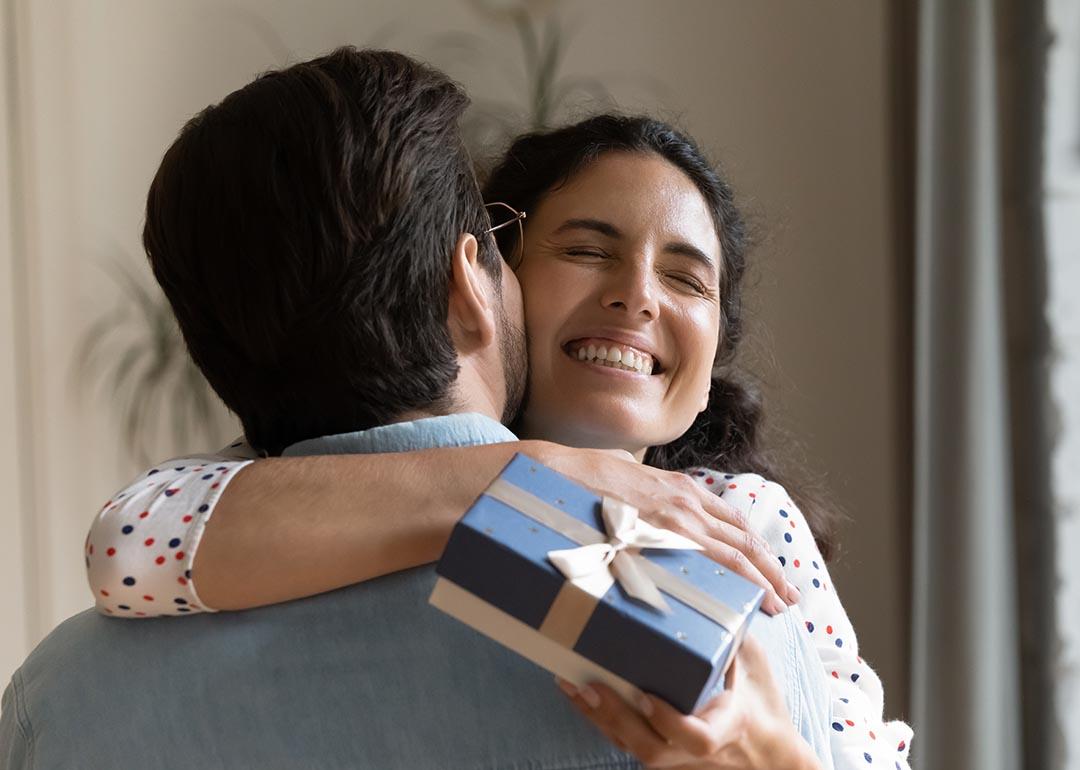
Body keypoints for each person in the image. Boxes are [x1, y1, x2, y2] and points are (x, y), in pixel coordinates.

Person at [0, 48, 835, 770]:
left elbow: (132, 545)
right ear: (474, 279)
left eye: (688, 278)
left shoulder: (61, 690)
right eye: (582, 250)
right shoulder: (700, 622)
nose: (636, 298)